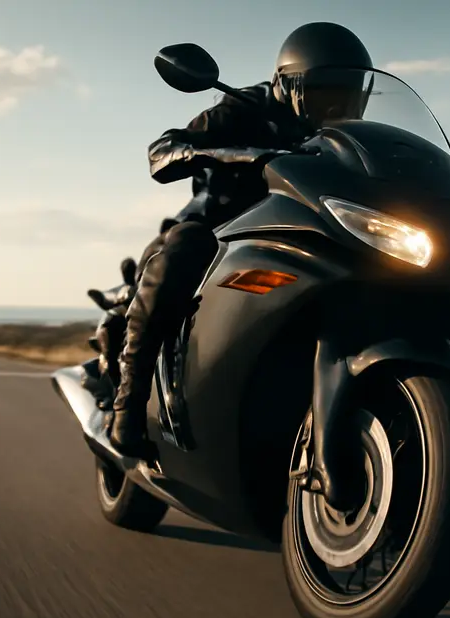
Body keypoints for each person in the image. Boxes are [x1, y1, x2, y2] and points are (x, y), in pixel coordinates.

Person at [109, 21, 376, 458]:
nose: (339, 106)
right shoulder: (243, 107)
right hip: (221, 230)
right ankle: (128, 404)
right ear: (292, 85)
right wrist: (235, 153)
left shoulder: (349, 141)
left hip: (299, 237)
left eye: (349, 95)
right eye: (328, 94)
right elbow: (163, 150)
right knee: (182, 251)